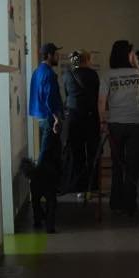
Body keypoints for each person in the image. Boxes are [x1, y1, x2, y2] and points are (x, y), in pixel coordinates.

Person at [99, 40, 139, 214]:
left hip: (115, 124)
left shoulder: (107, 75)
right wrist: (136, 63)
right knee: (133, 165)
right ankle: (130, 202)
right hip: (136, 123)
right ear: (128, 55)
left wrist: (103, 122)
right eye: (131, 53)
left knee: (117, 164)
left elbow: (101, 101)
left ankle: (115, 201)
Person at [60, 50, 100, 195]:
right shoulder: (93, 75)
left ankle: (78, 187)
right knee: (92, 152)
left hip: (73, 118)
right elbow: (96, 95)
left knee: (77, 153)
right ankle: (92, 186)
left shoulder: (67, 75)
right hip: (90, 117)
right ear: (87, 59)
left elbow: (67, 95)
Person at [29, 42, 63, 161]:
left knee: (48, 152)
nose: (58, 57)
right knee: (47, 154)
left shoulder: (36, 72)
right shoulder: (50, 74)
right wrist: (57, 118)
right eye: (56, 54)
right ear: (49, 55)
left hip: (39, 116)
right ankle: (38, 173)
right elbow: (50, 98)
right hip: (49, 118)